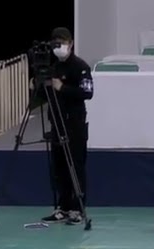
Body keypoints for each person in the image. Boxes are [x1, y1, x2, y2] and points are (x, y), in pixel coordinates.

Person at [40, 27, 93, 226]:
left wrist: (63, 88)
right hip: (57, 123)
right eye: (55, 44)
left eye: (61, 43)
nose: (58, 48)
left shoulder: (80, 66)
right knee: (60, 168)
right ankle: (61, 207)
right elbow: (47, 95)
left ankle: (77, 209)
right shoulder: (54, 68)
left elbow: (87, 93)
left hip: (75, 124)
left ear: (70, 43)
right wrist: (38, 87)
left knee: (75, 167)